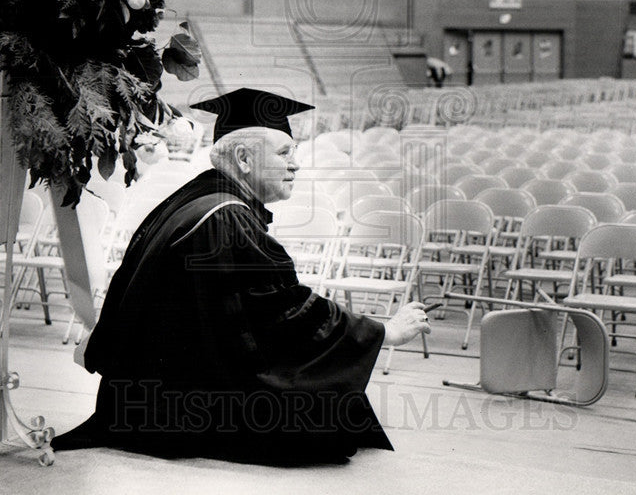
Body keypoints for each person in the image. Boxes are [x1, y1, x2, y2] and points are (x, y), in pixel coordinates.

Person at [53, 88, 430, 466]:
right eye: (284, 153)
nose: (295, 165)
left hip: (145, 399)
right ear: (244, 158)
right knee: (321, 422)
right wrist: (382, 332)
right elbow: (286, 313)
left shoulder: (199, 198)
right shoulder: (226, 217)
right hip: (177, 409)